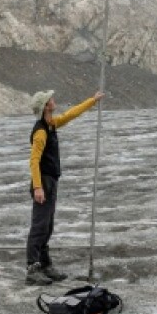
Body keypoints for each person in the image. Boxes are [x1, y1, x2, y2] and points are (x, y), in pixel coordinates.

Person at [25, 88, 105, 286]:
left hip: (50, 181)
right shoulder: (41, 131)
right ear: (45, 107)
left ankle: (45, 265)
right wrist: (38, 187)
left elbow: (71, 114)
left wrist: (91, 101)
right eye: (50, 99)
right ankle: (32, 268)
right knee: (39, 226)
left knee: (48, 225)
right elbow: (34, 161)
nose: (54, 99)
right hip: (43, 182)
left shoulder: (51, 124)